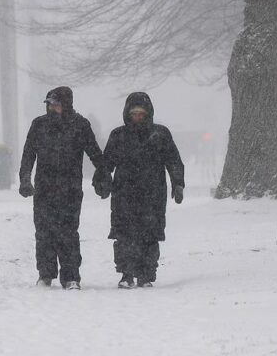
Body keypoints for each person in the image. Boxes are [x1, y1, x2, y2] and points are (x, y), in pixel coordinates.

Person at [18, 86, 110, 290]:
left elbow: (94, 153)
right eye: (50, 105)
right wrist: (25, 179)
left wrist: (103, 175)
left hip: (70, 190)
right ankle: (45, 274)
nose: (53, 108)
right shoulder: (39, 125)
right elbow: (28, 155)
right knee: (44, 232)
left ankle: (71, 276)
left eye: (57, 105)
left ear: (66, 105)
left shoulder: (80, 125)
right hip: (44, 189)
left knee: (68, 232)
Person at [100, 92, 184, 288]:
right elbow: (106, 163)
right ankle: (126, 274)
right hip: (124, 193)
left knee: (150, 234)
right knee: (124, 235)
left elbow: (173, 161)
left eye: (141, 113)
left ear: (148, 114)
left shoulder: (160, 134)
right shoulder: (118, 135)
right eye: (134, 113)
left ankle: (146, 274)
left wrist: (178, 183)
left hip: (152, 194)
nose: (137, 117)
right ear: (127, 114)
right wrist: (102, 182)